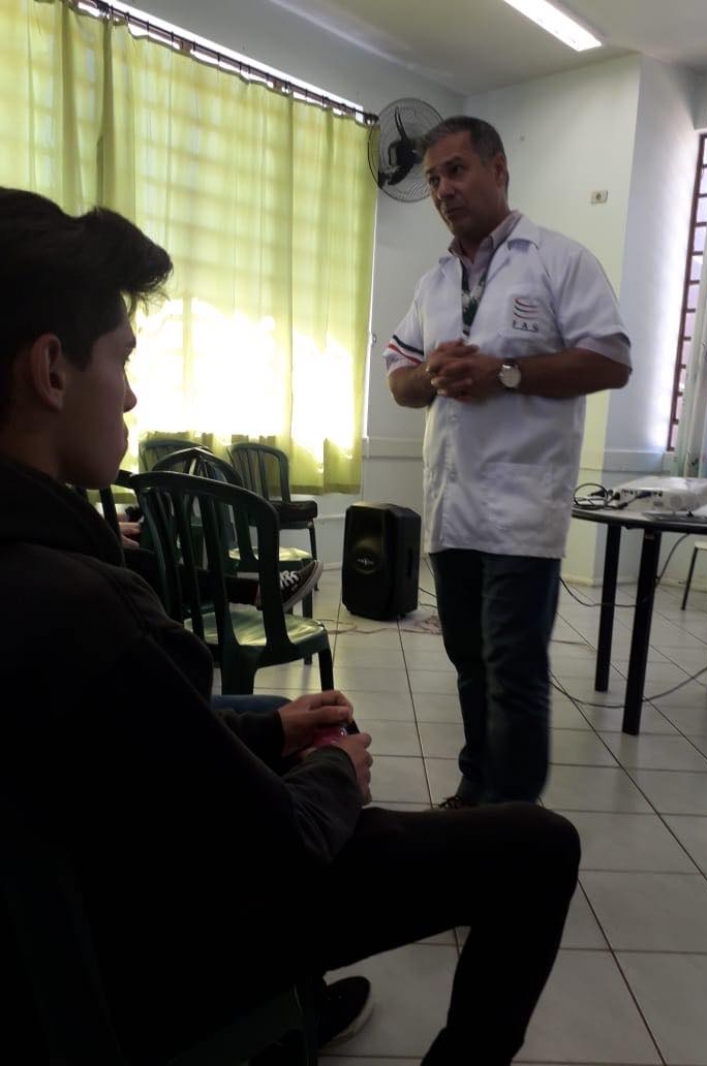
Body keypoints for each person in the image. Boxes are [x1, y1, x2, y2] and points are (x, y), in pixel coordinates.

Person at [0, 187, 580, 1066]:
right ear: (50, 370)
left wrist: (271, 732)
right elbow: (282, 843)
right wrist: (336, 772)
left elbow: (152, 739)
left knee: (286, 725)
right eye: (121, 359)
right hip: (157, 949)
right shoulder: (90, 614)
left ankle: (302, 1000)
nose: (130, 393)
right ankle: (276, 995)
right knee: (538, 846)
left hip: (88, 899)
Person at [385, 116, 632, 808]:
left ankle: (514, 829)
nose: (443, 189)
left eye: (456, 170)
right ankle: (476, 790)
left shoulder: (558, 260)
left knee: (513, 672)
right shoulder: (435, 283)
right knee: (469, 664)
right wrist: (429, 375)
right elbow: (399, 377)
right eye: (433, 178)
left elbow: (611, 360)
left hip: (523, 512)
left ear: (498, 170)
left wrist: (506, 373)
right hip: (452, 508)